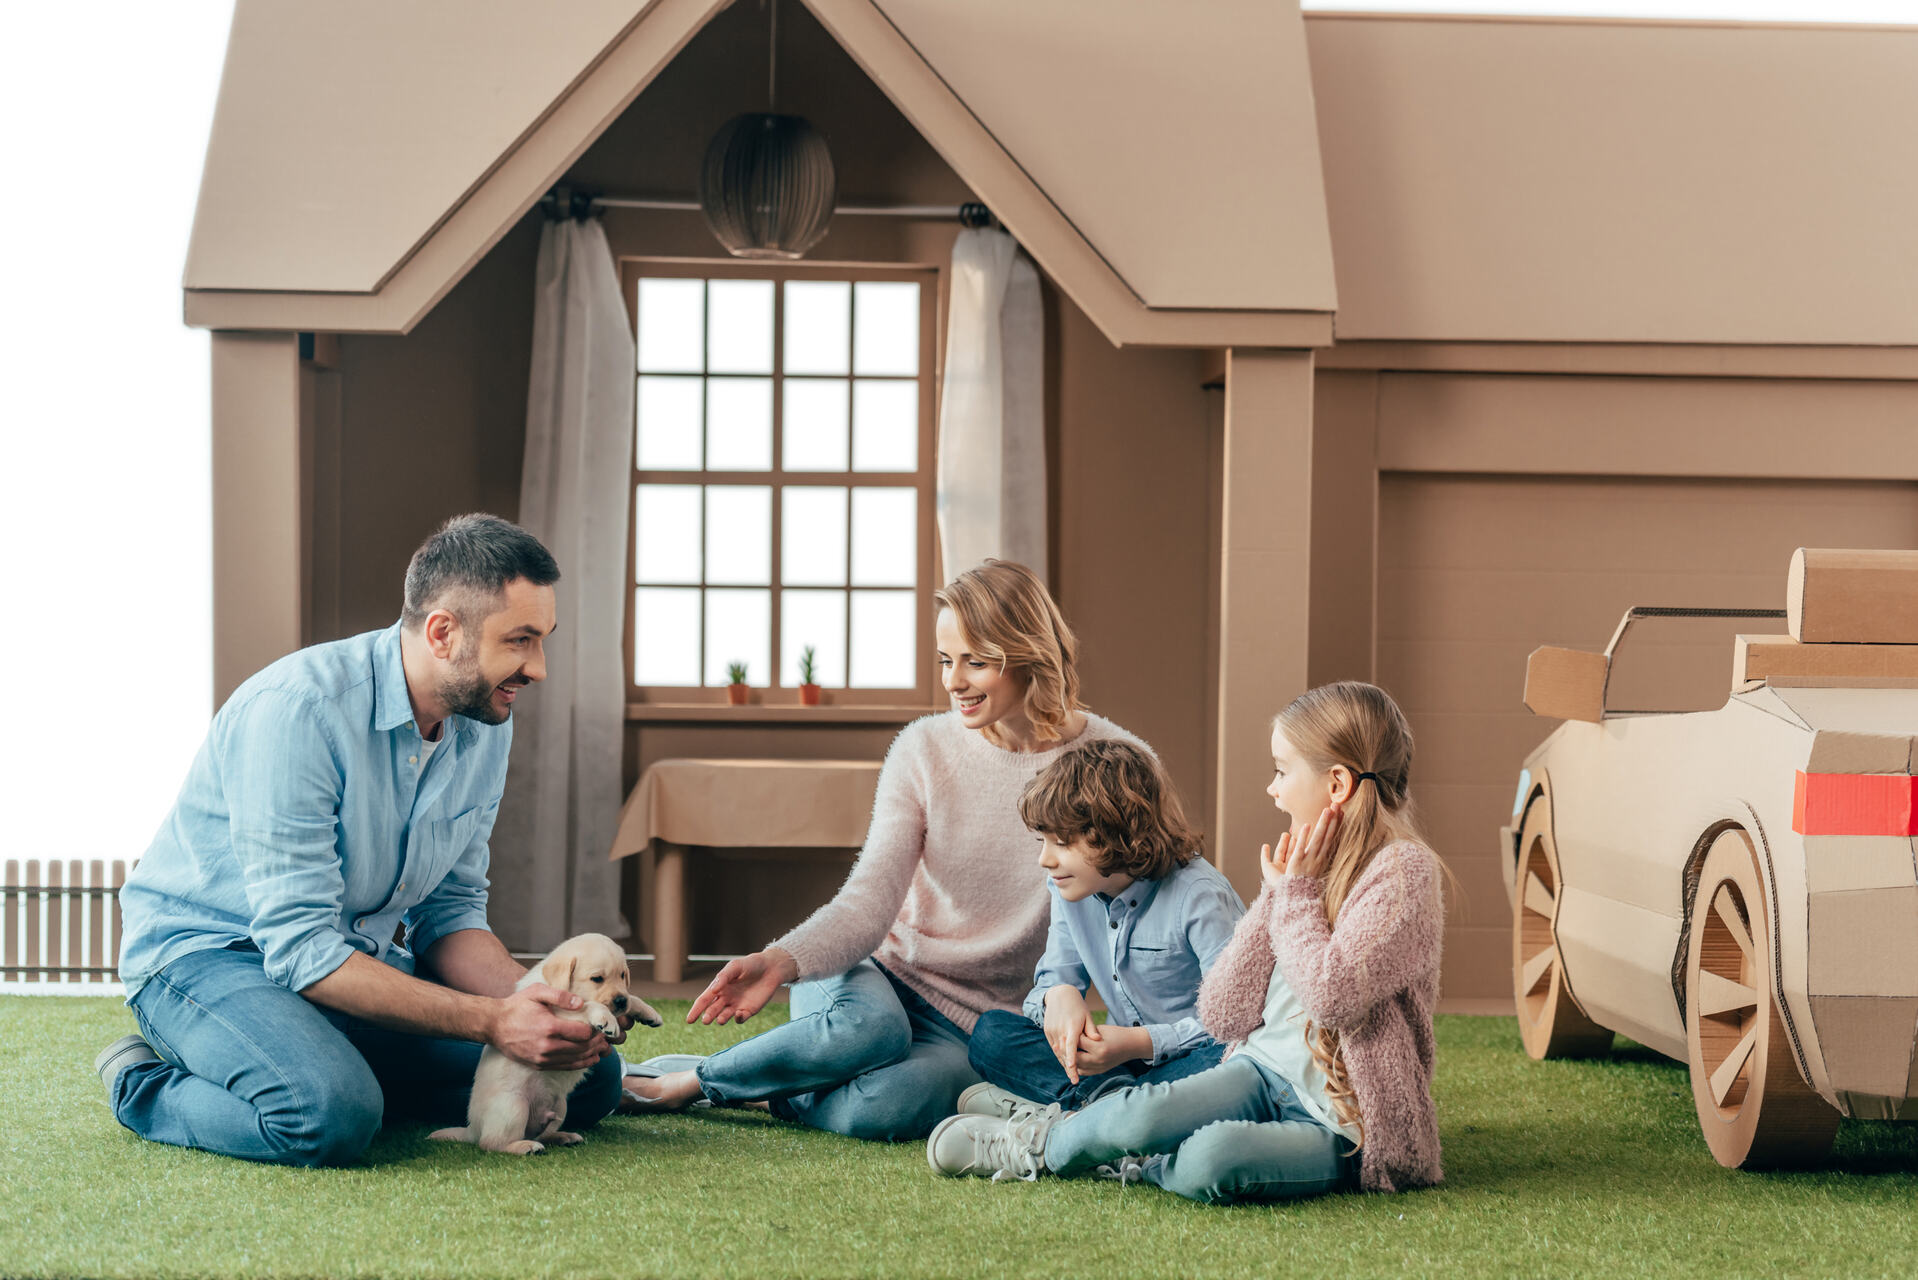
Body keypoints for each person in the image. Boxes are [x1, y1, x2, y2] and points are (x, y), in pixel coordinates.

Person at [97, 513, 626, 1167]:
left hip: (350, 968)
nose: (538, 668)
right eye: (520, 640)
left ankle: (328, 1064)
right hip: (212, 959)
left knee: (590, 1078)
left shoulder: (484, 721)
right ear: (442, 632)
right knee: (328, 1118)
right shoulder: (296, 713)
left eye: (542, 640)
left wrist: (538, 1005)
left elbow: (450, 913)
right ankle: (143, 1080)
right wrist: (492, 1022)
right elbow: (300, 949)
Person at [621, 560, 1154, 1141]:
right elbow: (868, 899)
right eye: (947, 661)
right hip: (875, 976)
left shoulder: (1115, 761)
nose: (954, 682)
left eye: (976, 661)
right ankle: (691, 1082)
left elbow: (1137, 907)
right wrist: (782, 960)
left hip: (978, 1022)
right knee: (871, 1033)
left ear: (1028, 654)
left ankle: (777, 1091)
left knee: (888, 1105)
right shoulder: (924, 748)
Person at [928, 681, 1446, 1201]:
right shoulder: (1306, 871)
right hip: (1260, 1070)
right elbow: (1224, 1011)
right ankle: (1041, 1145)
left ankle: (1125, 1155)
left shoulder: (1403, 875)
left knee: (1209, 1161)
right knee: (1145, 1112)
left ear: (1336, 784)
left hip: (1344, 1124)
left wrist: (1291, 896)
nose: (1273, 788)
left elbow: (1331, 997)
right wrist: (1275, 898)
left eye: (1282, 771)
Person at [958, 739, 1242, 1118]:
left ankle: (1088, 1115)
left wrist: (1139, 1043)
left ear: (1117, 833)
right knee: (991, 1034)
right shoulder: (1069, 887)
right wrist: (1057, 996)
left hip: (1195, 1057)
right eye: (1042, 840)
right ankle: (1118, 1112)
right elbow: (1050, 982)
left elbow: (1237, 1026)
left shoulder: (1199, 896)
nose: (1045, 859)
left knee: (1230, 1068)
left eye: (1061, 842)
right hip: (1123, 1069)